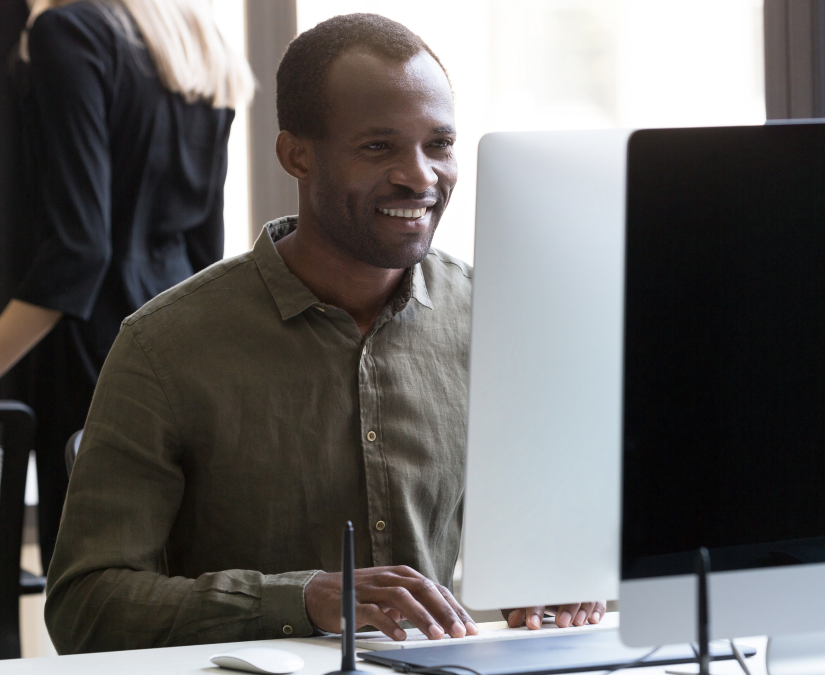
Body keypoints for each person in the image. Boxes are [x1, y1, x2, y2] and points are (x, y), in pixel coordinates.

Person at [41, 14, 605, 654]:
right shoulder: (162, 348)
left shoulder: (497, 317)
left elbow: (545, 538)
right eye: (378, 147)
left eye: (439, 144)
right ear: (295, 155)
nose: (420, 176)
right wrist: (302, 599)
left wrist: (556, 578)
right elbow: (84, 607)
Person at [0, 0, 254, 572]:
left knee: (95, 597)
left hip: (95, 357)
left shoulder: (68, 31)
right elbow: (202, 245)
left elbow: (80, 250)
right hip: (184, 349)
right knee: (175, 586)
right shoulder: (198, 42)